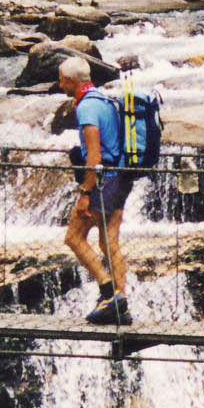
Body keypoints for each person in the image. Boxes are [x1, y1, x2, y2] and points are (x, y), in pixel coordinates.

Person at [59, 54, 131, 327]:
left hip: (102, 182)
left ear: (71, 81)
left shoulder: (86, 107)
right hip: (121, 178)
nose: (59, 84)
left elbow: (94, 155)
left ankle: (106, 288)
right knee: (108, 242)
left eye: (62, 80)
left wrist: (85, 193)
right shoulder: (106, 99)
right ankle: (121, 304)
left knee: (74, 238)